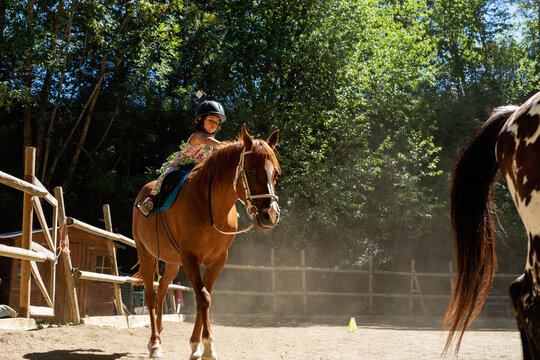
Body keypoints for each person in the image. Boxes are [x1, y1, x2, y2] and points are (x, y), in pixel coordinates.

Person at [135, 100, 226, 216]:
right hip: (181, 165)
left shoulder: (212, 138)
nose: (214, 124)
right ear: (200, 119)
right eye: (211, 120)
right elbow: (207, 141)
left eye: (217, 122)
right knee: (167, 176)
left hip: (198, 168)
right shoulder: (199, 135)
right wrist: (226, 146)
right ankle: (152, 199)